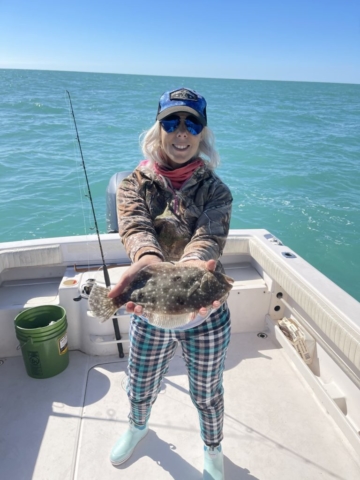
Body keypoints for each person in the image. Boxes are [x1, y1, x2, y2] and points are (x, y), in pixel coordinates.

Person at [108, 87, 233, 479]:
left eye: (191, 122)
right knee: (140, 380)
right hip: (151, 312)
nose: (182, 131)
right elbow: (136, 228)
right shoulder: (133, 184)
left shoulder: (217, 192)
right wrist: (147, 262)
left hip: (206, 316)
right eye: (172, 121)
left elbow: (207, 239)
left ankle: (212, 448)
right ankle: (138, 425)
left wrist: (196, 266)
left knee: (207, 392)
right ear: (159, 127)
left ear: (202, 132)